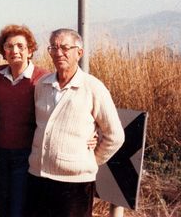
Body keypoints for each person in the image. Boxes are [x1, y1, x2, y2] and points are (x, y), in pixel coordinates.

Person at [26, 28, 125, 217]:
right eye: (53, 48)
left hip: (75, 184)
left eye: (65, 47)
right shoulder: (42, 85)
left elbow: (115, 135)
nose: (58, 53)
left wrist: (90, 159)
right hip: (39, 178)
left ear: (79, 53)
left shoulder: (93, 87)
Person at [0, 24, 48, 217]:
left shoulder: (43, 78)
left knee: (19, 209)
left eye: (20, 46)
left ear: (30, 50)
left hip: (26, 155)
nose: (14, 51)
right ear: (3, 51)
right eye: (9, 46)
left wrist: (92, 132)